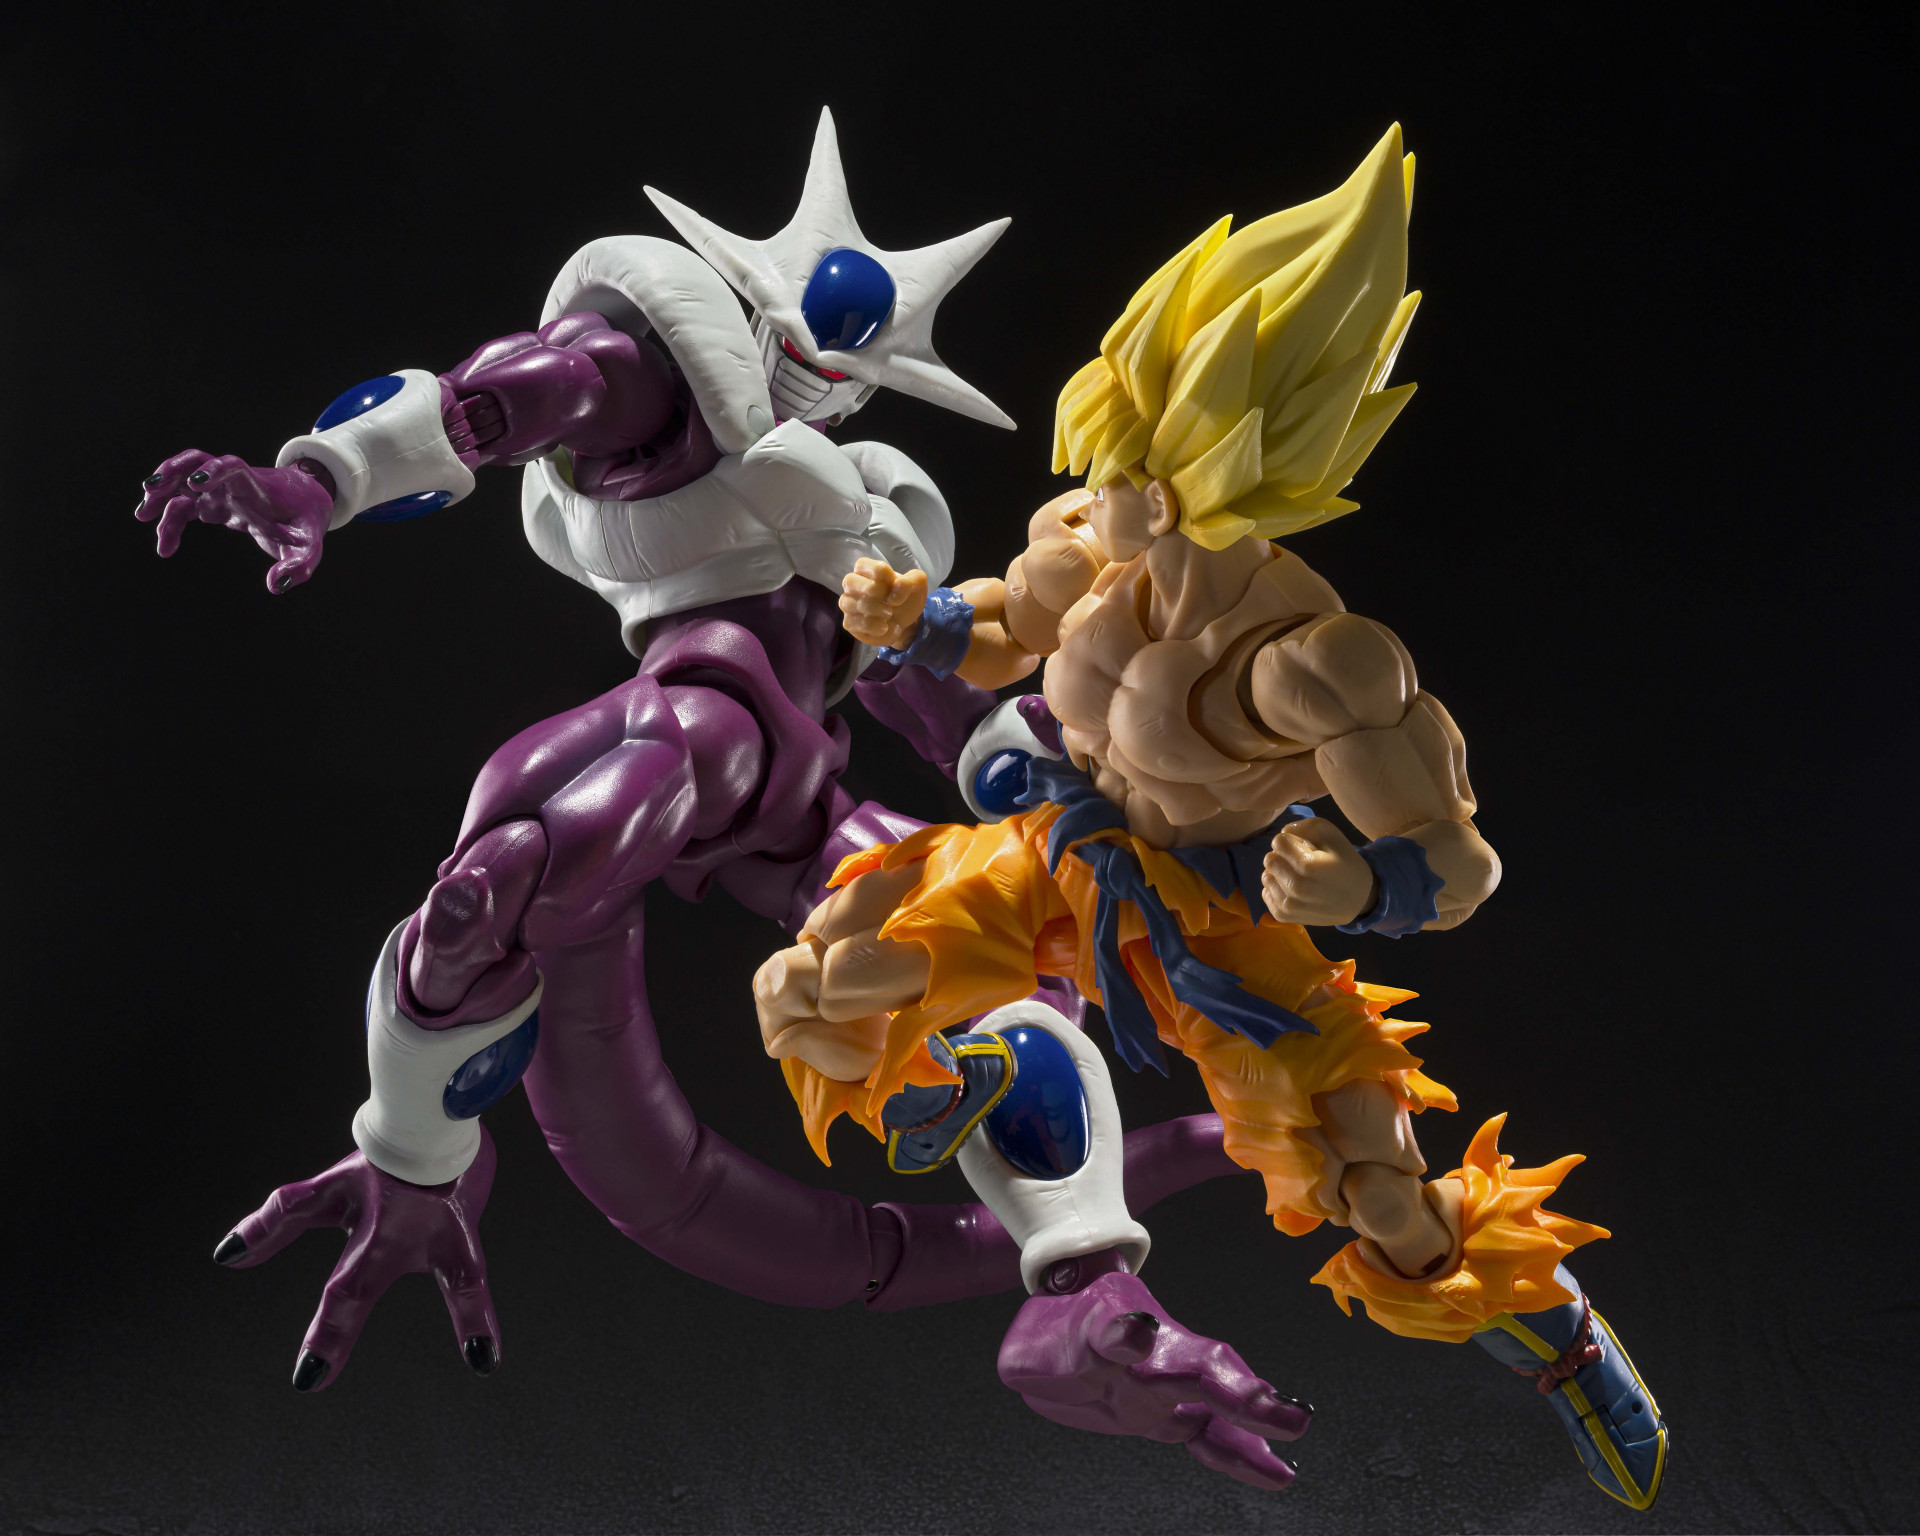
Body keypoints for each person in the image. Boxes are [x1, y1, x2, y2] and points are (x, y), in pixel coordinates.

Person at [132, 111, 1297, 1481]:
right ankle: (413, 1154)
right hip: (691, 725)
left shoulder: (865, 511)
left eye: (857, 357)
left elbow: (940, 699)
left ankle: (1090, 1291)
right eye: (817, 324)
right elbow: (495, 405)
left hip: (797, 796)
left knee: (991, 939)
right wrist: (314, 479)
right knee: (499, 880)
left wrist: (1094, 798)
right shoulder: (662, 393)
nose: (825, 359)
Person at [753, 124, 1668, 1511]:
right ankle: (952, 1085)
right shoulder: (1091, 539)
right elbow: (1001, 630)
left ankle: (1567, 1345)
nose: (1095, 491)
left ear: (1208, 476)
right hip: (1058, 856)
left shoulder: (1313, 661)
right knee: (819, 980)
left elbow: (1456, 861)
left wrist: (1358, 891)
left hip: (1221, 929)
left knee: (1383, 1199)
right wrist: (917, 619)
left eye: (1133, 467)